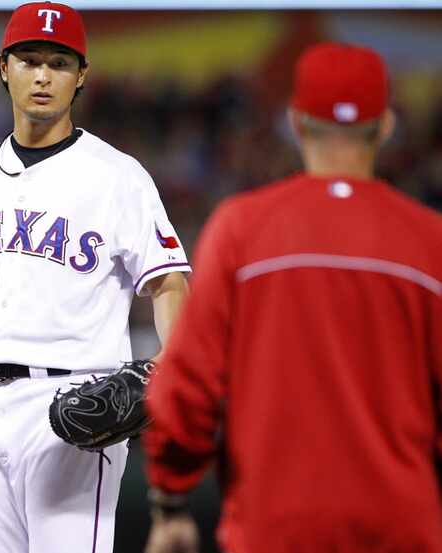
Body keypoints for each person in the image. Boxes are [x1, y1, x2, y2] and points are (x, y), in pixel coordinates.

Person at [0, 3, 191, 552]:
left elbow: (168, 282)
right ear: (3, 67)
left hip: (78, 407)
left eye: (59, 62)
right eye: (29, 59)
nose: (42, 75)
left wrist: (174, 373)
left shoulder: (118, 176)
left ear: (80, 76)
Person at [143, 42, 442, 553]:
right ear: (386, 125)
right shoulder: (431, 241)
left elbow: (187, 389)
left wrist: (171, 501)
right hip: (402, 528)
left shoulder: (242, 228)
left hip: (274, 527)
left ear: (296, 120)